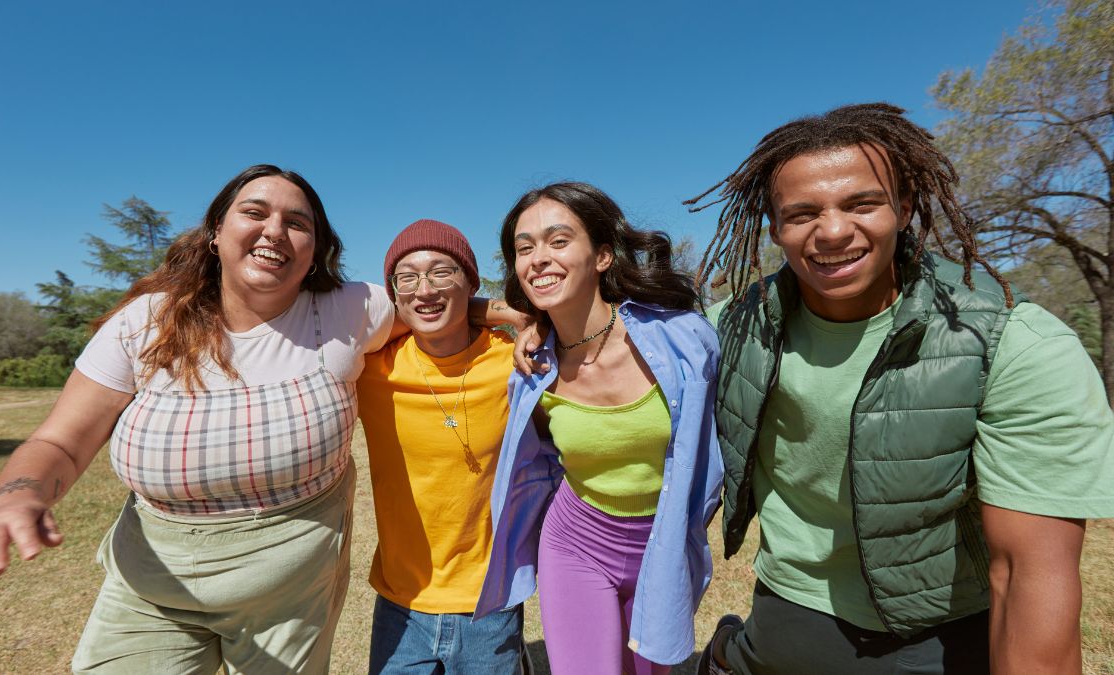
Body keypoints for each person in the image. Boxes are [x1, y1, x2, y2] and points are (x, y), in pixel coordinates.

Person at [0, 164, 398, 674]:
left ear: (316, 249)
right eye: (254, 213)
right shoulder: (145, 322)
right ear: (216, 233)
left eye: (297, 223)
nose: (275, 231)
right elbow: (61, 441)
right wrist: (17, 496)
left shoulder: (351, 310)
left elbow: (442, 302)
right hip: (151, 590)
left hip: (291, 600)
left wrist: (496, 312)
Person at [687, 103, 1114, 675]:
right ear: (776, 227)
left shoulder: (1012, 344)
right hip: (784, 616)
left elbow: (1026, 574)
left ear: (905, 207)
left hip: (939, 636)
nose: (834, 230)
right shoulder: (729, 330)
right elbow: (609, 348)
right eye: (803, 212)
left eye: (862, 203)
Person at [476, 182, 723, 674]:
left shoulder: (682, 340)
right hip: (576, 541)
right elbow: (445, 302)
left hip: (663, 544)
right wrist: (524, 318)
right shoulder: (533, 369)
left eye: (558, 240)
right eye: (524, 249)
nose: (538, 259)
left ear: (604, 255)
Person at [357, 219, 528, 674]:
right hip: (401, 602)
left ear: (470, 281)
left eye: (441, 272)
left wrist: (513, 317)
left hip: (491, 601)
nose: (424, 289)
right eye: (406, 277)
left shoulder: (514, 362)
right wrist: (499, 309)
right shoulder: (371, 370)